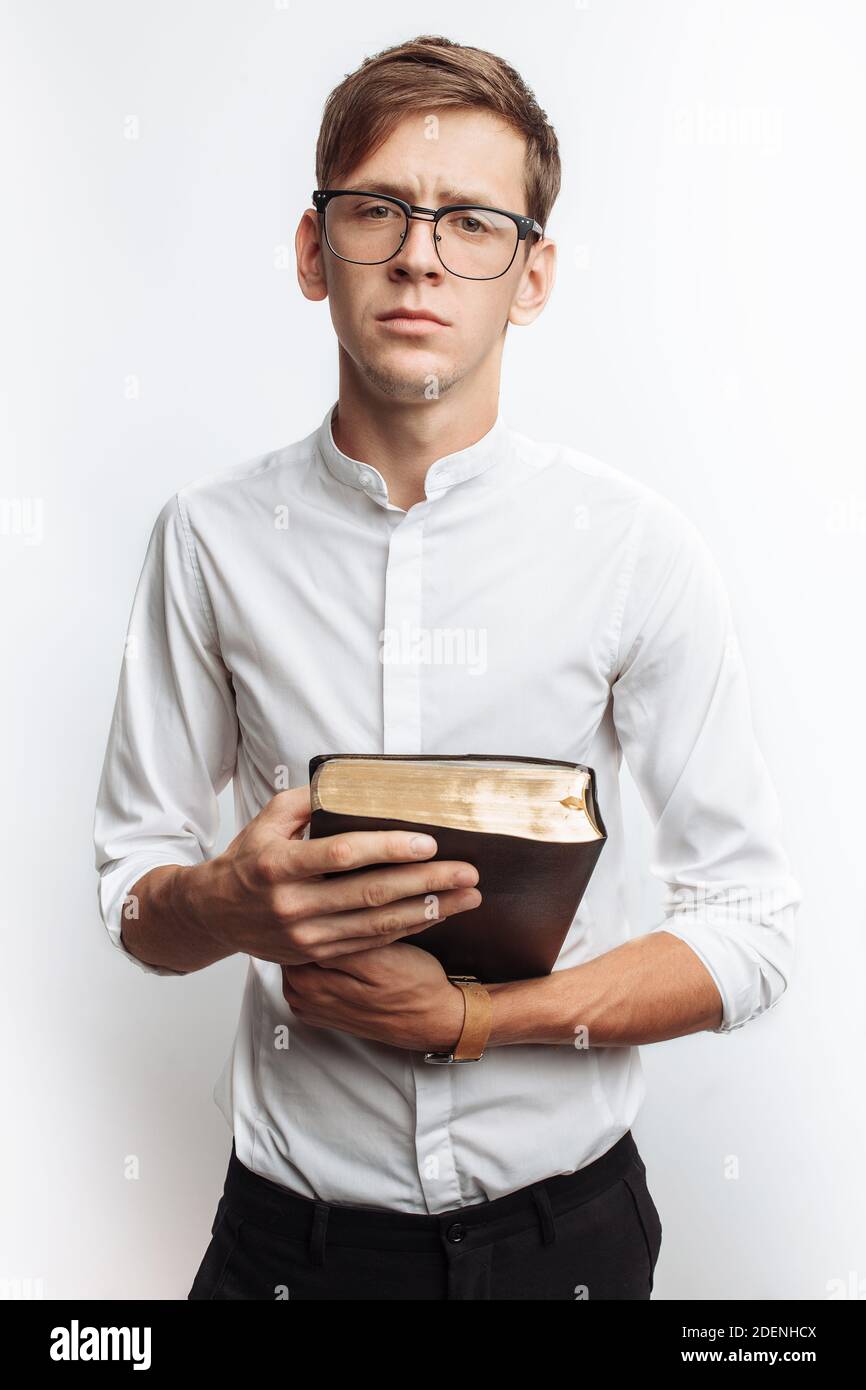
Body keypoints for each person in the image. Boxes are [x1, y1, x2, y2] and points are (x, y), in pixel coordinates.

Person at [93, 34, 801, 1301]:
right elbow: (130, 891)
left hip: (564, 1245)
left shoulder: (637, 552)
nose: (420, 254)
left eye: (471, 221)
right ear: (315, 251)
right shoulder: (204, 537)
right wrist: (220, 904)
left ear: (529, 276)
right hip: (287, 1251)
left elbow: (752, 932)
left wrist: (477, 1023)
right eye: (378, 211)